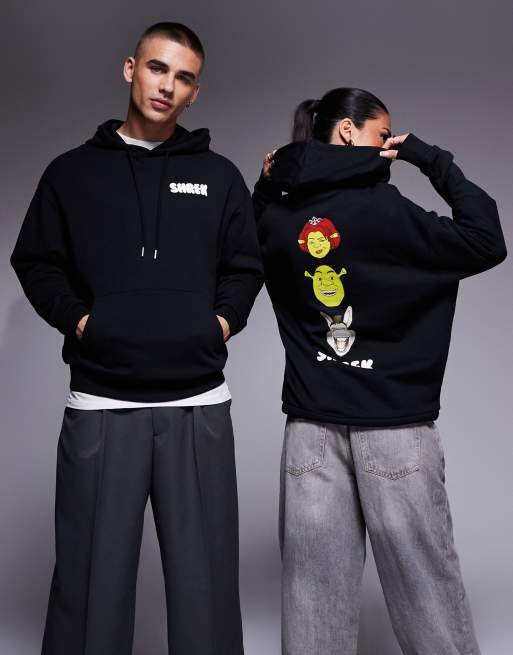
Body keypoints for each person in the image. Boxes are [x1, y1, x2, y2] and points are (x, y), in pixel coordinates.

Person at [10, 21, 263, 655]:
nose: (166, 86)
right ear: (131, 68)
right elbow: (36, 260)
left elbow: (245, 267)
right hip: (101, 401)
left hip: (198, 405)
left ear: (195, 92)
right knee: (90, 586)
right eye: (157, 68)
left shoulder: (219, 176)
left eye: (183, 77)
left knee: (206, 590)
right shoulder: (71, 173)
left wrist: (218, 324)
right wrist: (84, 322)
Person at [252, 87, 507, 655]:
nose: (388, 144)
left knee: (312, 602)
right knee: (428, 596)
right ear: (348, 131)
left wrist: (269, 183)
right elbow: (486, 239)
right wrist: (426, 156)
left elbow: (239, 246)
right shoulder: (389, 211)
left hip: (310, 431)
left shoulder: (280, 215)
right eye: (382, 133)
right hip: (395, 427)